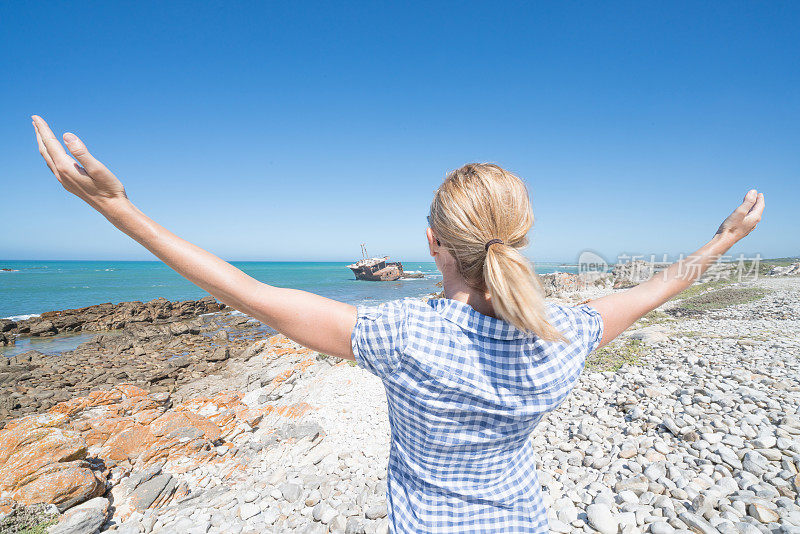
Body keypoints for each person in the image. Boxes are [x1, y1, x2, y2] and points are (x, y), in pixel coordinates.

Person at [31, 116, 765, 533]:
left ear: (432, 244)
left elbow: (249, 293)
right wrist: (724, 239)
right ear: (520, 240)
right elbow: (658, 289)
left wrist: (117, 210)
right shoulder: (565, 335)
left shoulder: (403, 335)